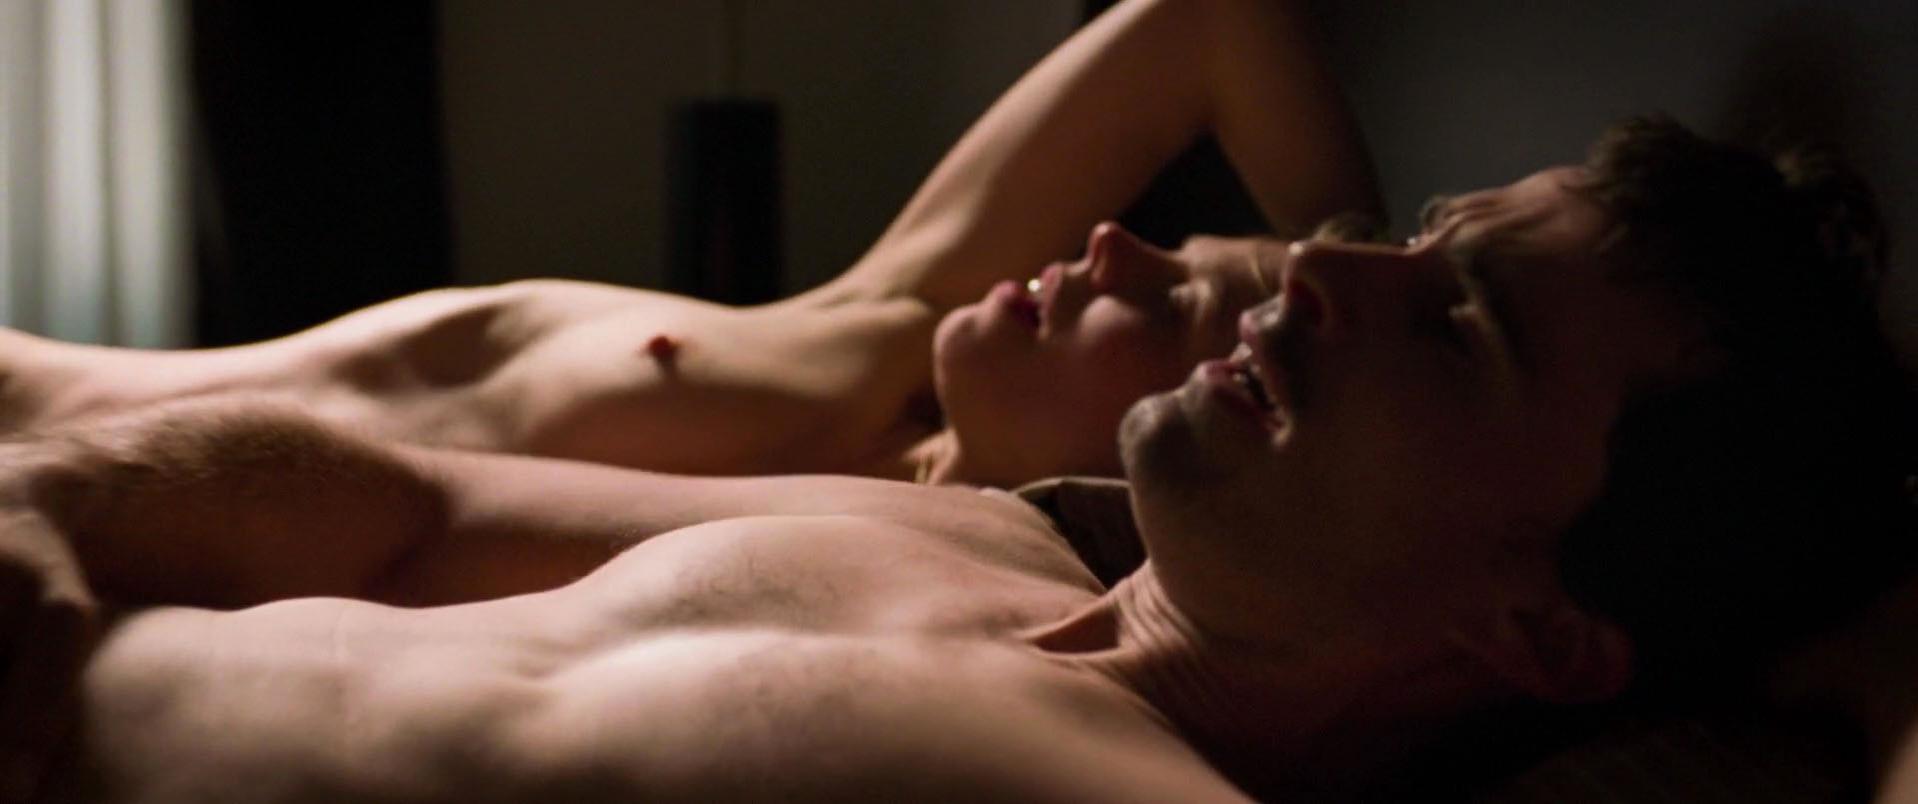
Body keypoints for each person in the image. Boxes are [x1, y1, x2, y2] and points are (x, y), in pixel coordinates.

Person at [1, 110, 1909, 801]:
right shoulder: (976, 537)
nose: (1328, 269)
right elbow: (399, 503)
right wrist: (49, 511)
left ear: (1545, 628)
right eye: (1414, 234)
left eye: (1461, 324)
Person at [0, 0, 1378, 488]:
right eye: (1178, 244)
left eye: (1178, 298)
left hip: (77, 495)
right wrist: (1372, 275)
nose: (1114, 244)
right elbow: (1205, 21)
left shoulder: (908, 563)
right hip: (46, 396)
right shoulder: (892, 325)